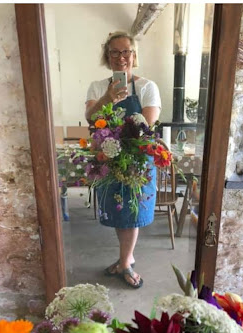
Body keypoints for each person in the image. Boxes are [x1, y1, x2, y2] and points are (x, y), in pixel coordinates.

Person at [84, 31, 161, 289]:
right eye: (115, 52)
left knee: (132, 211)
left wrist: (118, 129)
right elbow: (91, 119)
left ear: (134, 55)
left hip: (136, 160)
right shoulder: (97, 87)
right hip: (108, 159)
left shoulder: (148, 87)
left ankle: (125, 262)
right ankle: (125, 258)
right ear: (107, 56)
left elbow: (146, 124)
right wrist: (108, 97)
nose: (121, 57)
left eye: (126, 51)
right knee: (120, 211)